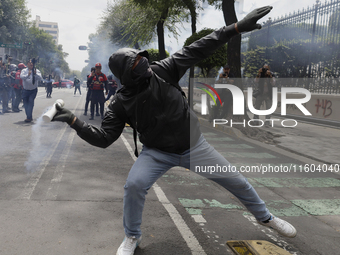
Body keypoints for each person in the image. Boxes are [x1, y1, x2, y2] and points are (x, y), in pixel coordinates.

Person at [52, 6, 296, 255]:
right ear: (127, 74)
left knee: (237, 181)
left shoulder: (163, 70)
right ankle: (132, 236)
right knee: (134, 186)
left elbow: (198, 47)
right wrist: (73, 120)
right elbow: (104, 139)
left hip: (195, 146)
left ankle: (266, 218)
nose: (143, 62)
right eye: (136, 62)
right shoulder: (120, 102)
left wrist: (235, 28)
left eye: (141, 57)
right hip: (156, 153)